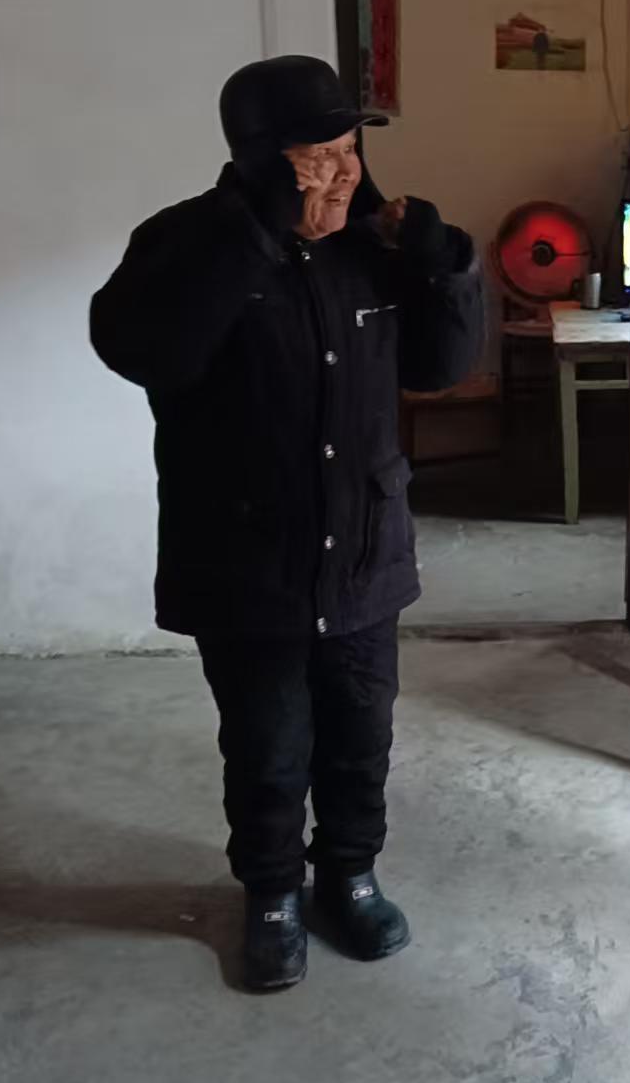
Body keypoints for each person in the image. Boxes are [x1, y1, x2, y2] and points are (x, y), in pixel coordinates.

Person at [90, 55, 483, 990]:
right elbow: (145, 349)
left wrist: (446, 263)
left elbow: (441, 367)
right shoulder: (187, 241)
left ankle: (349, 874)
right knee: (268, 745)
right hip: (246, 558)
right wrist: (255, 237)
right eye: (318, 158)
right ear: (261, 160)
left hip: (363, 551)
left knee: (360, 736)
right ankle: (270, 891)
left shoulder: (373, 247)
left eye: (350, 151)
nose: (343, 174)